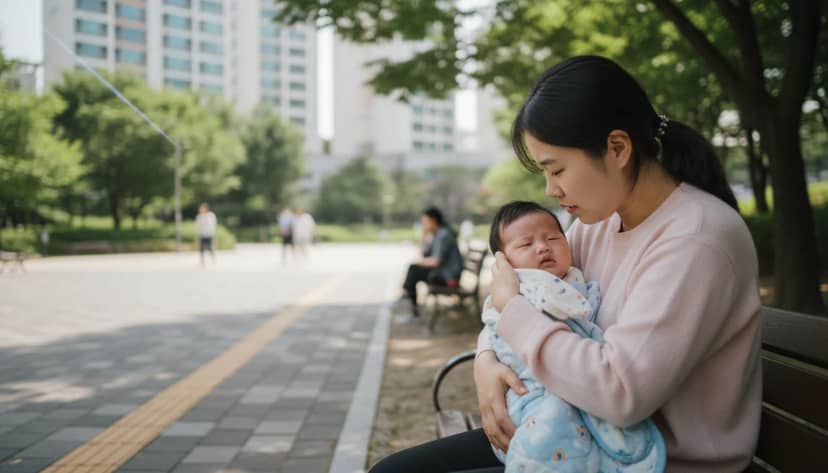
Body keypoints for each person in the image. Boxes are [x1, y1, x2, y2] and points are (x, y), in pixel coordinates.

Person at [369, 55, 761, 473]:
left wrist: (512, 316)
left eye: (555, 169)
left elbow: (619, 393)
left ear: (617, 148)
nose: (550, 190)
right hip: (577, 437)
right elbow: (520, 290)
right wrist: (486, 362)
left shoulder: (696, 238)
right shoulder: (599, 222)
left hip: (651, 460)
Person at [481, 201, 665, 473]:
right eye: (525, 244)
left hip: (588, 389)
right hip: (532, 392)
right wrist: (484, 361)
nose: (543, 247)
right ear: (504, 263)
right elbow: (496, 318)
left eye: (553, 238)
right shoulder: (534, 280)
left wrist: (509, 306)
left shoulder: (680, 240)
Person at [390, 207, 464, 320]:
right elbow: (424, 253)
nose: (423, 225)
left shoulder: (444, 235)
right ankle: (408, 302)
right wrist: (424, 236)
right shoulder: (437, 234)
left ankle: (408, 302)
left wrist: (419, 262)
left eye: (425, 222)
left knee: (414, 269)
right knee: (414, 269)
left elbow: (435, 261)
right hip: (441, 274)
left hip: (449, 278)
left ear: (433, 220)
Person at [195, 202, 217, 267]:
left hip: (209, 234)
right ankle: (202, 261)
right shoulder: (199, 217)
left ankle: (213, 258)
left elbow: (213, 225)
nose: (201, 209)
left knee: (210, 247)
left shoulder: (211, 215)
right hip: (202, 234)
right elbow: (198, 226)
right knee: (201, 248)